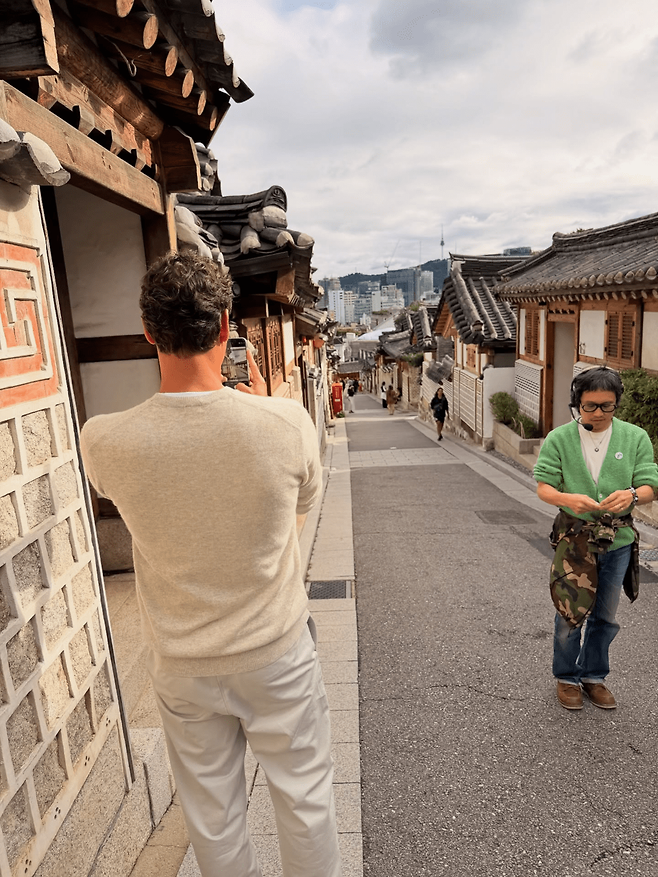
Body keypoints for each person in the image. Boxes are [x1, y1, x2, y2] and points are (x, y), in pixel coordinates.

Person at [80, 252, 341, 877]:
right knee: (305, 802)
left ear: (148, 332)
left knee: (212, 818)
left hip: (183, 663)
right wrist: (262, 409)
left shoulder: (104, 438)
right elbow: (305, 501)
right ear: (226, 327)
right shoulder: (284, 422)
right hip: (276, 651)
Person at [534, 366, 658, 711]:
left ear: (617, 403)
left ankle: (594, 677)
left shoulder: (635, 437)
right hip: (574, 540)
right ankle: (566, 677)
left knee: (606, 615)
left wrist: (634, 495)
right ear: (577, 403)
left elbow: (651, 483)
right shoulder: (559, 438)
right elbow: (544, 485)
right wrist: (566, 499)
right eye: (590, 406)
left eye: (607, 406)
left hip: (617, 542)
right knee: (570, 613)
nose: (599, 413)